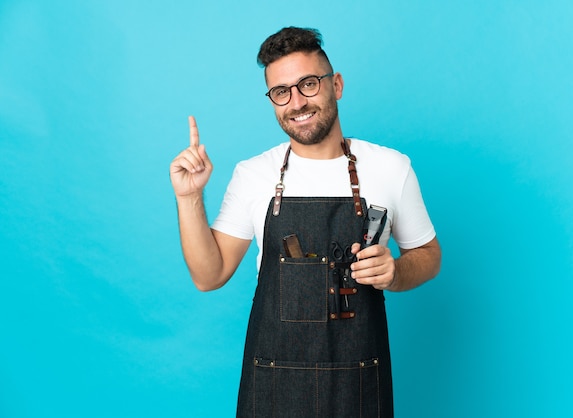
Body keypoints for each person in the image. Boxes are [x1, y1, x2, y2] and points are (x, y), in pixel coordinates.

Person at [170, 26, 441, 417]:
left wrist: (395, 272)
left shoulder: (390, 168)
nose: (296, 102)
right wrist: (189, 196)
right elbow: (208, 276)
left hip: (358, 383)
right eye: (282, 92)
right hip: (274, 384)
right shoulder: (253, 174)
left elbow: (429, 254)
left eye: (308, 84)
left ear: (337, 85)